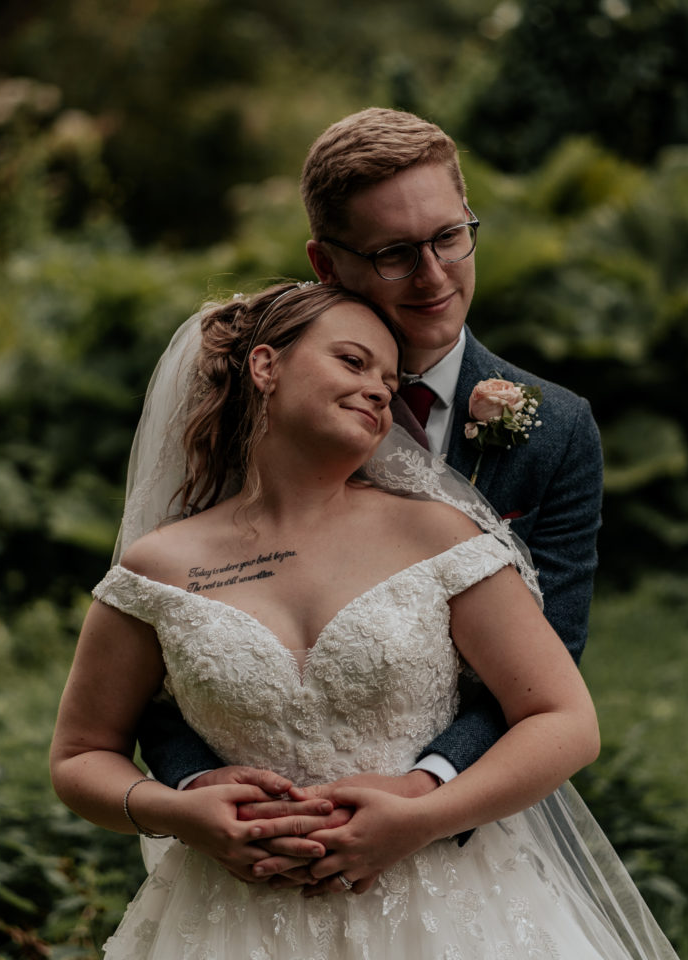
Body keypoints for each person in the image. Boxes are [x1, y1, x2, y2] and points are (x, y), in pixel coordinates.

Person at [50, 281, 676, 958]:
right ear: (266, 366)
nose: (380, 391)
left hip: (445, 908)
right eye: (353, 363)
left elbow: (566, 722)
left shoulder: (437, 534)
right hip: (233, 921)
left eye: (389, 379)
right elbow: (81, 755)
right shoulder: (160, 567)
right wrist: (175, 810)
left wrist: (423, 817)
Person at [136, 108, 605, 891]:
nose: (433, 275)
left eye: (450, 237)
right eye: (393, 253)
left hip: (462, 834)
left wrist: (426, 790)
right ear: (326, 262)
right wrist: (195, 786)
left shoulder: (555, 429)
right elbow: (168, 635)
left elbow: (550, 666)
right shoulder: (249, 410)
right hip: (257, 855)